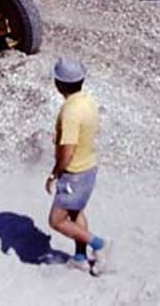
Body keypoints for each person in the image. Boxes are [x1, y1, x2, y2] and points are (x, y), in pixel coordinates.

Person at [45, 56, 112, 276]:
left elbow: (69, 150)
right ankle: (80, 258)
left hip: (74, 174)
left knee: (56, 220)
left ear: (58, 84)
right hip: (89, 168)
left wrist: (55, 174)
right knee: (75, 214)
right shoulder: (87, 101)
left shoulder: (70, 111)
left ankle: (100, 244)